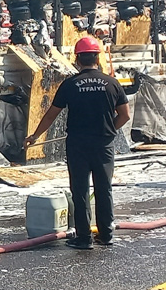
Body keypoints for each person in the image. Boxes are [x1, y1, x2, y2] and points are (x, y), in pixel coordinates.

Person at [25, 37, 131, 250]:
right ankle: (106, 234)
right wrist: (109, 129)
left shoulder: (70, 84)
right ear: (97, 58)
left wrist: (35, 136)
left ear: (77, 58)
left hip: (78, 145)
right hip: (104, 144)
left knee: (80, 190)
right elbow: (125, 115)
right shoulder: (112, 83)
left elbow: (51, 115)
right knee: (104, 188)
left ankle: (84, 238)